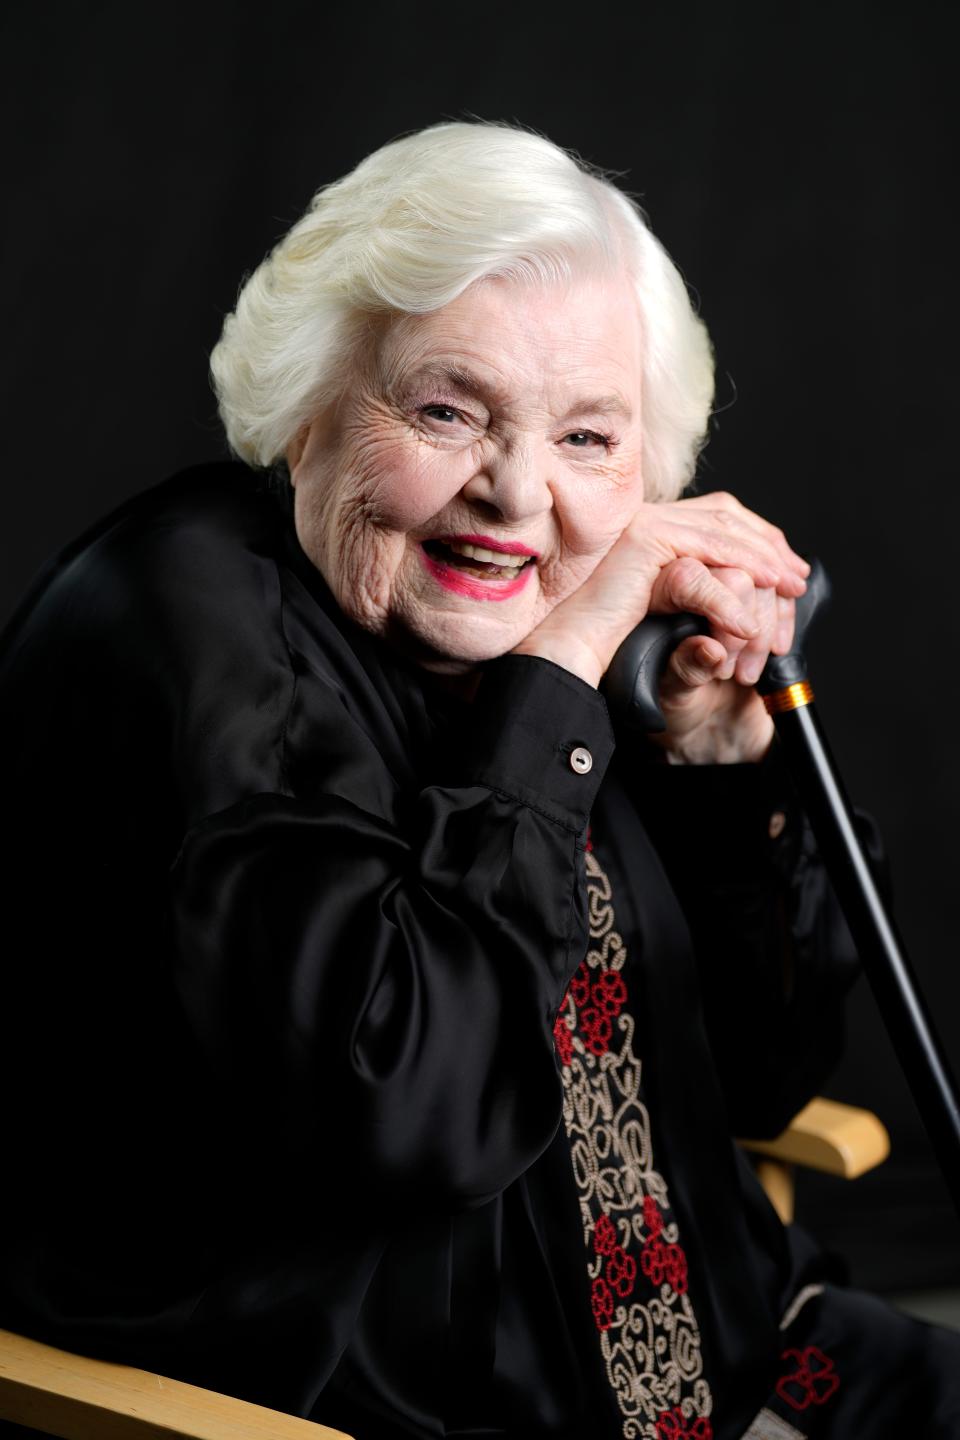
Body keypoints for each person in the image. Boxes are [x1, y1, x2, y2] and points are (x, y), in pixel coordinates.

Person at [0, 120, 957, 1440]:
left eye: (586, 438)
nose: (515, 495)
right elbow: (413, 1115)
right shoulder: (186, 626)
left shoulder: (580, 642)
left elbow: (766, 1078)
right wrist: (561, 673)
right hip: (392, 1398)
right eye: (447, 412)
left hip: (744, 1354)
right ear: (310, 407)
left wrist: (720, 763)